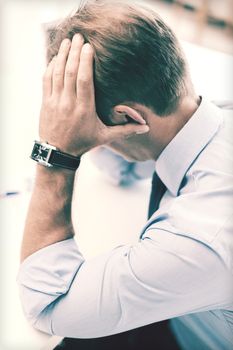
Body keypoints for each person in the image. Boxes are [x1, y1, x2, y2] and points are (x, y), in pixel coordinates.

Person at [17, 1, 233, 349]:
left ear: (125, 118)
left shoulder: (201, 238)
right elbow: (127, 169)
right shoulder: (207, 119)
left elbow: (47, 304)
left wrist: (55, 151)